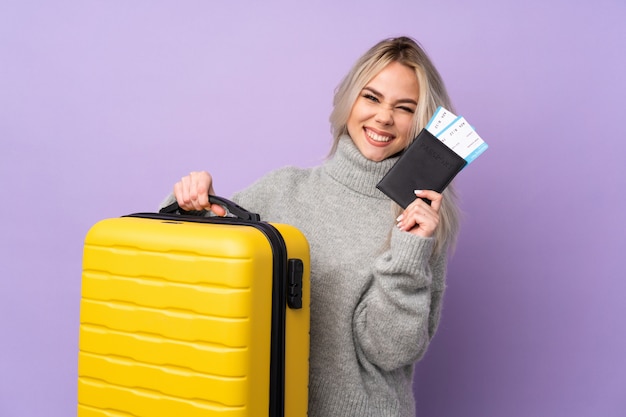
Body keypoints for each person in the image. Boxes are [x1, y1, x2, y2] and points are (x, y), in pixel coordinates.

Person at [162, 36, 461, 417]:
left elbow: (390, 352)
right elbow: (185, 274)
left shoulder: (421, 224)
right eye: (371, 97)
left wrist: (408, 251)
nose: (384, 117)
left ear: (421, 122)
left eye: (404, 108)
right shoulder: (283, 188)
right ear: (349, 100)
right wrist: (191, 205)